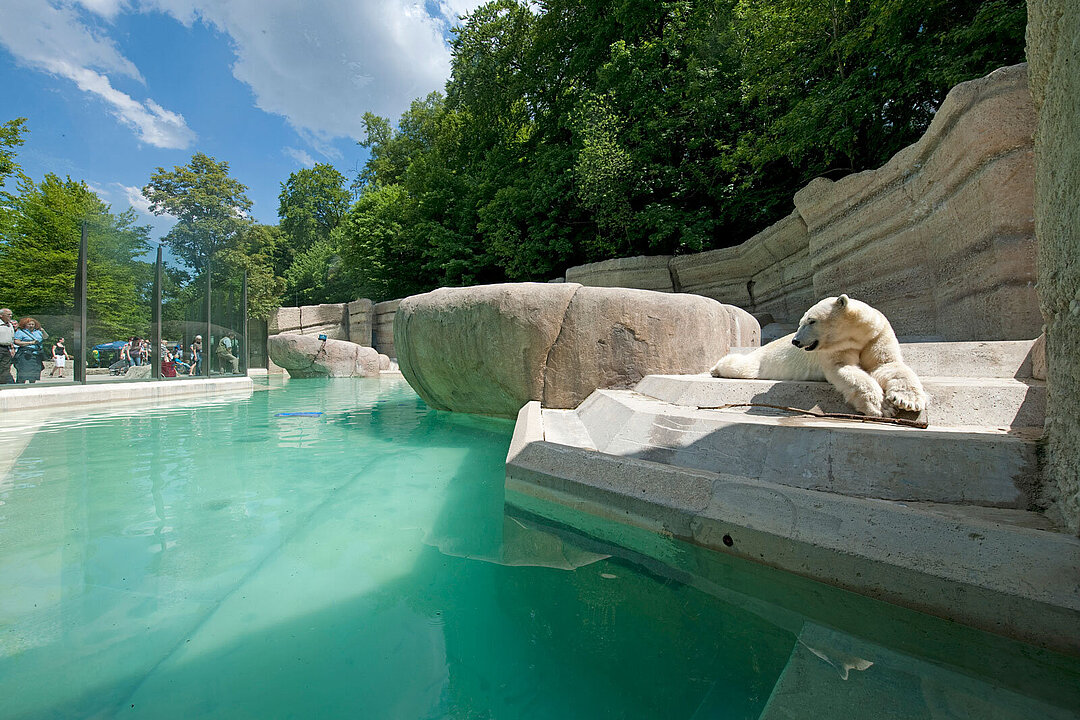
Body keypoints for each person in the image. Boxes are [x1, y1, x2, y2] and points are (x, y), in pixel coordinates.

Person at [12, 317, 46, 384]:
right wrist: (30, 343)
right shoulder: (20, 332)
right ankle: (19, 387)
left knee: (34, 374)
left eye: (33, 324)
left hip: (36, 355)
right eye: (29, 324)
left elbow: (45, 337)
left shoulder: (38, 332)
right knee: (23, 373)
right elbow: (16, 342)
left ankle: (32, 386)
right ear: (25, 325)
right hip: (25, 355)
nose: (31, 326)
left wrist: (43, 330)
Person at [0, 308, 16, 384]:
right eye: (8, 314)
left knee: (5, 367)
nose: (10, 316)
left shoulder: (10, 325)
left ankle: (2, 383)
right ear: (1, 315)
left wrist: (12, 348)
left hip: (6, 348)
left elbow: (11, 337)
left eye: (11, 314)